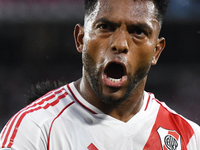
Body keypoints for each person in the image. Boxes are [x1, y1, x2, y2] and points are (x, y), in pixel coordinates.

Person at [1, 0, 200, 149]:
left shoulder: (190, 139)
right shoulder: (35, 130)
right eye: (105, 27)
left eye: (138, 32)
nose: (120, 44)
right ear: (81, 39)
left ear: (156, 51)